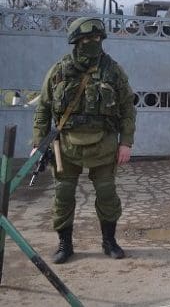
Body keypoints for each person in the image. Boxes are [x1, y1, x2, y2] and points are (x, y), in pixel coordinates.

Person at [32, 17, 136, 264]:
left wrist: (126, 142)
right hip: (65, 146)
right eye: (87, 39)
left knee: (107, 193)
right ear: (76, 42)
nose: (93, 43)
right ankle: (65, 244)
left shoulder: (113, 70)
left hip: (104, 144)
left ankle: (109, 241)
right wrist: (38, 143)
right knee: (64, 194)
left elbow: (127, 108)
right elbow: (44, 108)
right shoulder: (59, 70)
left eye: (97, 38)